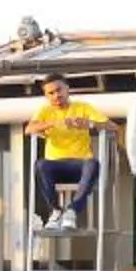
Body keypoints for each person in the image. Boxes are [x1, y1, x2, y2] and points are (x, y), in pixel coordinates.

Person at [23, 77, 111, 231]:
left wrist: (89, 124)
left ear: (67, 89)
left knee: (93, 163)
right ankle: (56, 210)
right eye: (51, 93)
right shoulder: (45, 111)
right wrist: (52, 123)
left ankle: (71, 210)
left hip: (80, 164)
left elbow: (112, 127)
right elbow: (29, 129)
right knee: (40, 164)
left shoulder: (83, 107)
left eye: (59, 90)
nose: (56, 95)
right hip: (56, 166)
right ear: (46, 96)